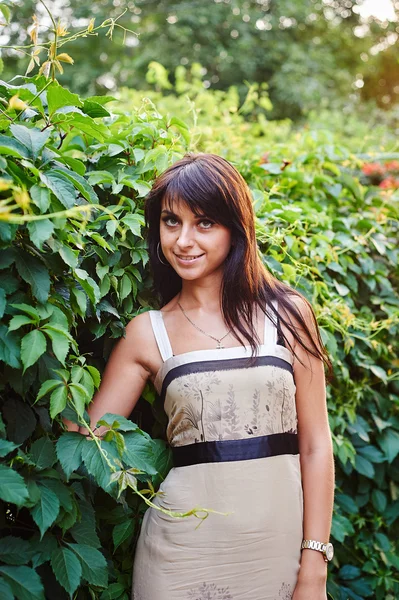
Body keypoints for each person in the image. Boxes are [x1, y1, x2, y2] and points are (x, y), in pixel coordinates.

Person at [68, 153, 335, 600]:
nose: (183, 240)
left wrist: (315, 563)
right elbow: (86, 438)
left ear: (236, 227)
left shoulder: (289, 316)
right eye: (171, 222)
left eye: (204, 222)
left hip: (279, 555)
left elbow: (315, 444)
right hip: (179, 558)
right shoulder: (147, 333)